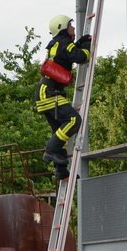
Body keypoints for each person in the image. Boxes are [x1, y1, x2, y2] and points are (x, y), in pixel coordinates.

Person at [35, 15, 92, 180]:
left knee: (59, 132)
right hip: (50, 92)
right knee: (74, 121)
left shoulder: (57, 44)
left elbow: (68, 54)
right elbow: (81, 57)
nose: (73, 29)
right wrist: (87, 46)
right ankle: (50, 151)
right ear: (63, 28)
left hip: (46, 91)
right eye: (71, 26)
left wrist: (79, 42)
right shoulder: (64, 43)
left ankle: (61, 171)